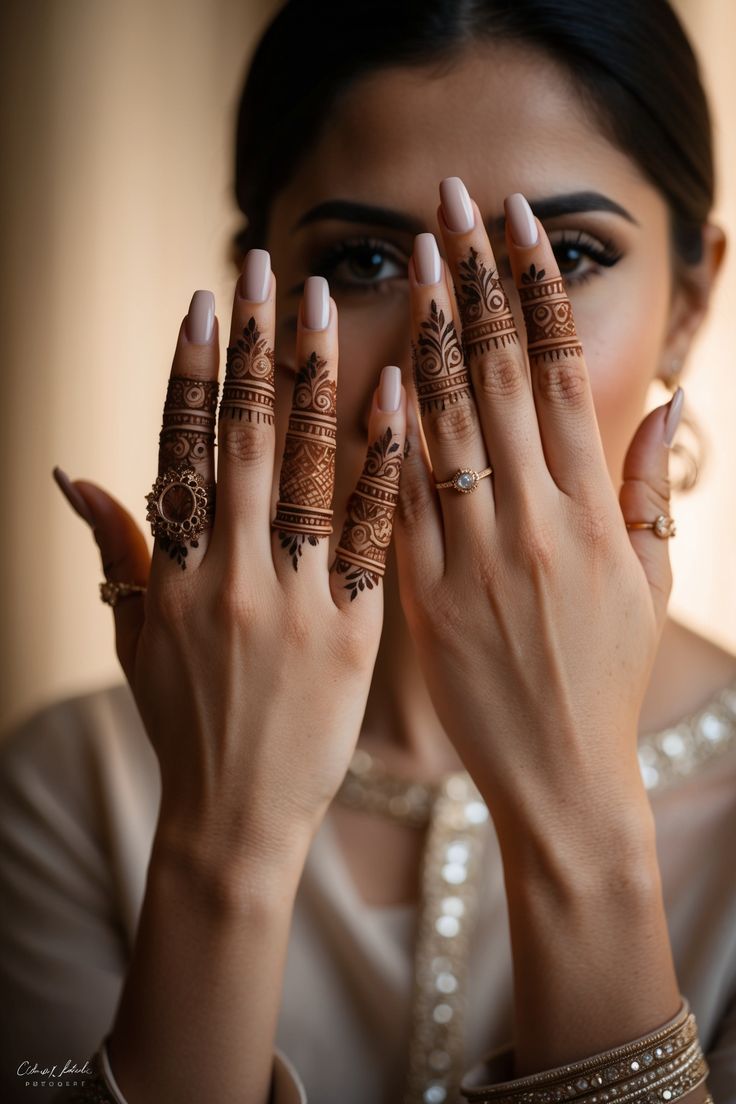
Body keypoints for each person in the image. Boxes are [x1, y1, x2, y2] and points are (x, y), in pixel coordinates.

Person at [1, 0, 735, 1101]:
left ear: (689, 300)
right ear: (265, 297)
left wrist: (578, 812)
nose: (458, 354)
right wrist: (222, 844)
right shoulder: (75, 792)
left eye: (564, 255)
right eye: (363, 264)